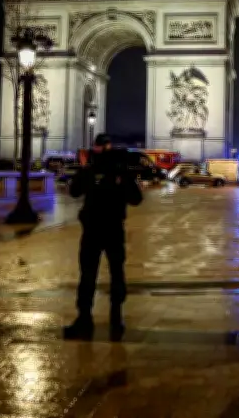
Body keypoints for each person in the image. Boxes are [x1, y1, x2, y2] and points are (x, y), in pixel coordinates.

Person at [65, 134, 143, 340]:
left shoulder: (91, 169)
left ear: (96, 148)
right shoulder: (119, 170)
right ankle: (116, 319)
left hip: (92, 230)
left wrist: (84, 169)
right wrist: (124, 177)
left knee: (88, 275)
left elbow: (73, 192)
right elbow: (136, 199)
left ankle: (84, 318)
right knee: (117, 273)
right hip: (114, 229)